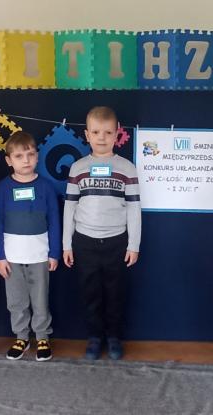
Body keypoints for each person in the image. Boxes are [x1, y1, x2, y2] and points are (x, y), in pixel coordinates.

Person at [62, 106, 141, 361]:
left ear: (117, 134)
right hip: (84, 242)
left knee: (115, 294)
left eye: (107, 132)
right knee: (91, 294)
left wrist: (134, 245)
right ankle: (95, 337)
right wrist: (66, 244)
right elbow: (69, 207)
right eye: (96, 132)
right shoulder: (78, 168)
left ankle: (114, 337)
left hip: (117, 242)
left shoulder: (127, 168)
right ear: (87, 135)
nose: (102, 138)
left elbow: (134, 207)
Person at [0, 131, 61, 361]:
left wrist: (54, 253)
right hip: (11, 257)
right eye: (19, 156)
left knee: (40, 299)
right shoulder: (3, 187)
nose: (26, 160)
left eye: (30, 154)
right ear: (9, 160)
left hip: (40, 255)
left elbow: (54, 221)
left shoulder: (46, 187)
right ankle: (21, 336)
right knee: (16, 300)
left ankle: (42, 336)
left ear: (37, 157)